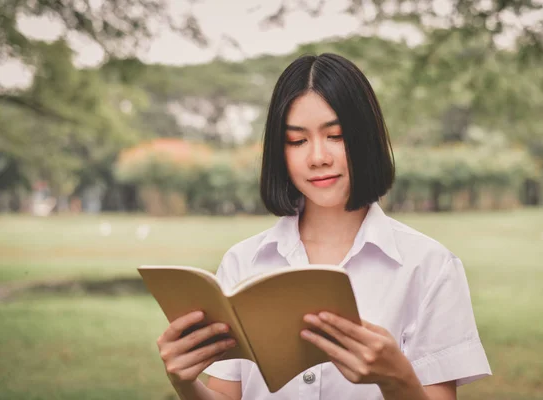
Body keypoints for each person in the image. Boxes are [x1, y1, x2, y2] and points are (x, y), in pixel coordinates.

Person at [155, 53, 492, 400]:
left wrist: (398, 378)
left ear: (366, 138)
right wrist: (185, 383)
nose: (318, 157)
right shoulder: (243, 262)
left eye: (336, 135)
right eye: (297, 141)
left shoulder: (429, 265)